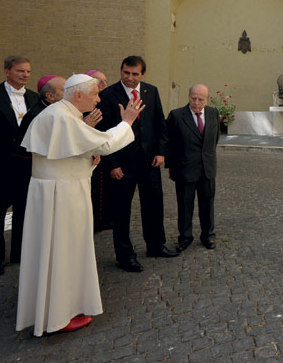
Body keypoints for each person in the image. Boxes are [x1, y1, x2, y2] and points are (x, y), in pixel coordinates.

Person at [17, 74, 143, 336]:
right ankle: (58, 318)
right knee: (64, 251)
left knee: (56, 252)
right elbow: (106, 143)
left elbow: (68, 151)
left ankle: (56, 309)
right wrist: (127, 122)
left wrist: (88, 157)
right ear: (78, 96)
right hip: (62, 195)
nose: (99, 99)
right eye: (95, 94)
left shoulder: (58, 113)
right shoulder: (62, 116)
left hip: (55, 191)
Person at [97, 56, 177, 272]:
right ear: (121, 71)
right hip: (122, 164)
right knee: (121, 211)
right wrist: (112, 164)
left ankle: (156, 245)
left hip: (149, 161)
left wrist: (161, 152)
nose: (130, 78)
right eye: (126, 73)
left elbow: (160, 124)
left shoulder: (151, 91)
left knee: (153, 205)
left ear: (143, 74)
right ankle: (125, 256)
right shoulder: (107, 95)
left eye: (134, 74)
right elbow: (103, 133)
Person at [0, 56, 38, 276]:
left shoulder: (35, 98)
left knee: (25, 211)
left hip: (26, 165)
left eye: (27, 71)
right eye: (20, 71)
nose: (25, 75)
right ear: (7, 71)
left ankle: (20, 254)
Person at [166, 84, 221, 251]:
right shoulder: (176, 115)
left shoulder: (213, 113)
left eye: (200, 99)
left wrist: (208, 158)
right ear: (188, 96)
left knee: (207, 204)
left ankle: (208, 235)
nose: (196, 102)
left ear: (208, 99)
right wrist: (171, 167)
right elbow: (168, 142)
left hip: (207, 168)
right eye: (193, 98)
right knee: (184, 205)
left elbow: (214, 138)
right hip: (184, 169)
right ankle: (185, 237)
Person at [86, 70, 110, 231]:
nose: (104, 85)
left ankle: (104, 219)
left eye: (105, 81)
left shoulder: (106, 99)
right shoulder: (86, 103)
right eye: (99, 82)